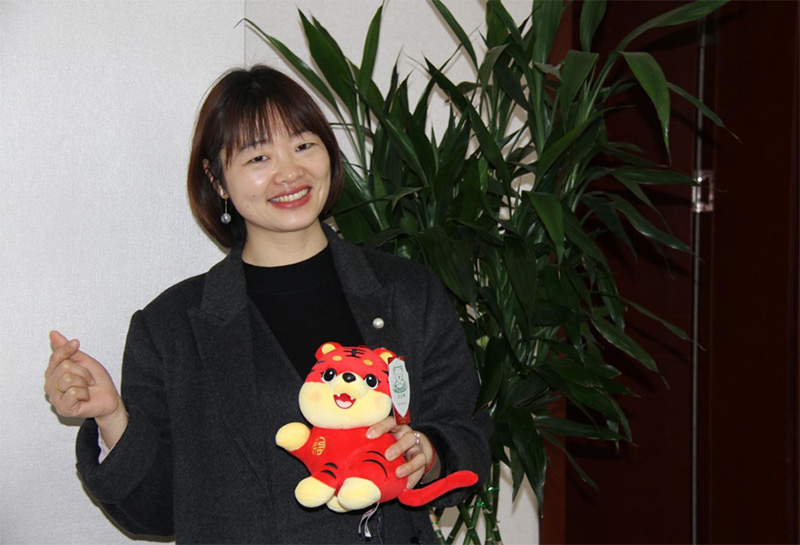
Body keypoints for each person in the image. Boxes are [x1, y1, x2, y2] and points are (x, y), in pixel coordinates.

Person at [44, 65, 492, 544]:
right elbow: (155, 515)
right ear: (217, 179)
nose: (290, 172)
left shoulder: (408, 292)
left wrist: (429, 452)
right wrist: (112, 416)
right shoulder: (170, 327)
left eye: (303, 145)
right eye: (258, 157)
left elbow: (468, 436)